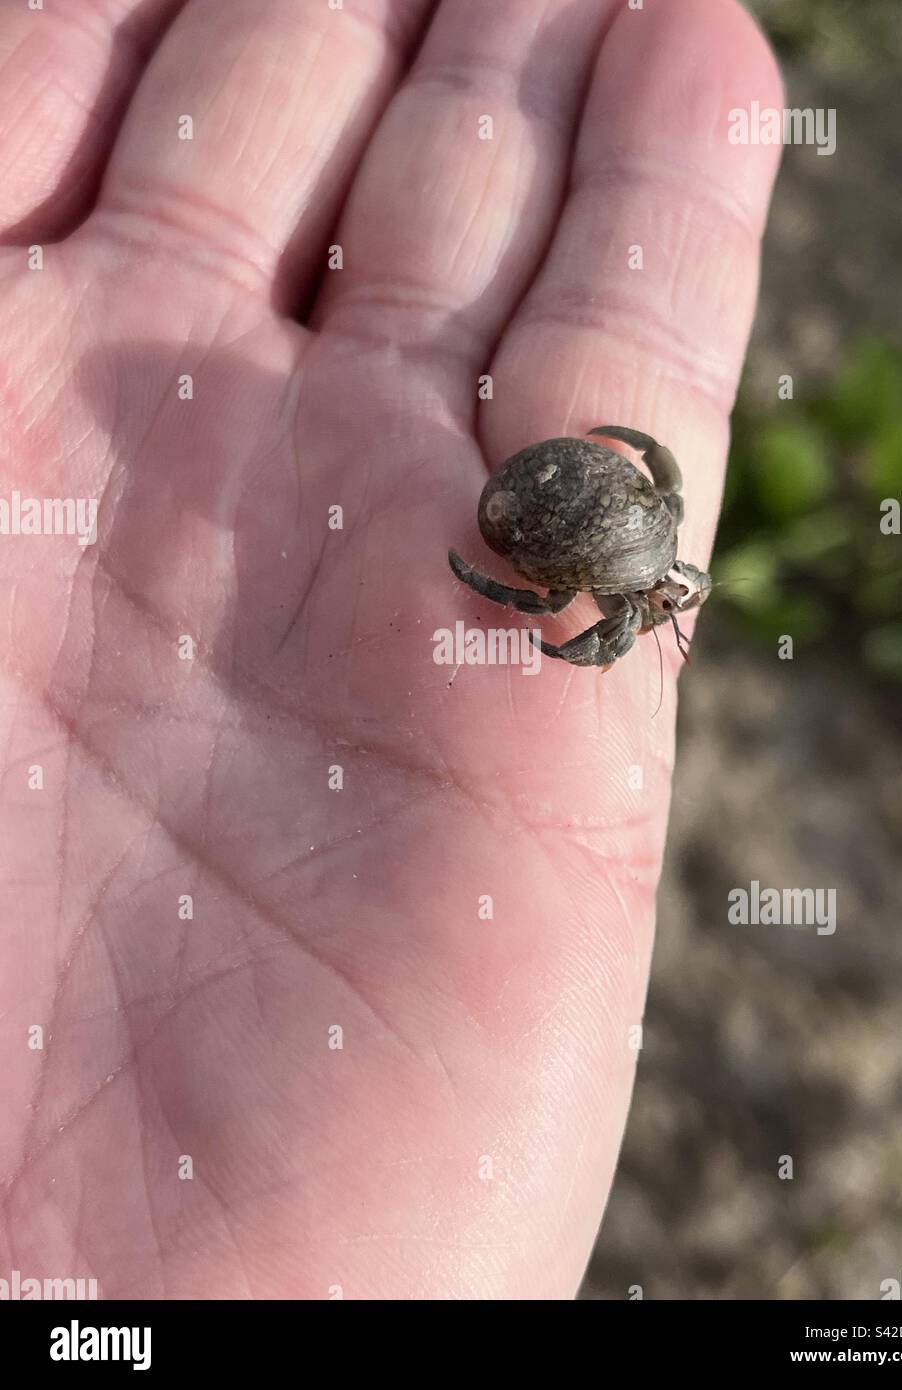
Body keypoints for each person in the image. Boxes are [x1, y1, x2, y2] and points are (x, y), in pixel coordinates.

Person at [0, 0, 782, 1298]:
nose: (657, 615)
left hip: (559, 513)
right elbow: (581, 576)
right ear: (648, 574)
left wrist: (531, 554)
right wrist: (495, 578)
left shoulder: (640, 532)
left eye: (658, 606)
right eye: (659, 604)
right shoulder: (620, 562)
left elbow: (629, 493)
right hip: (552, 522)